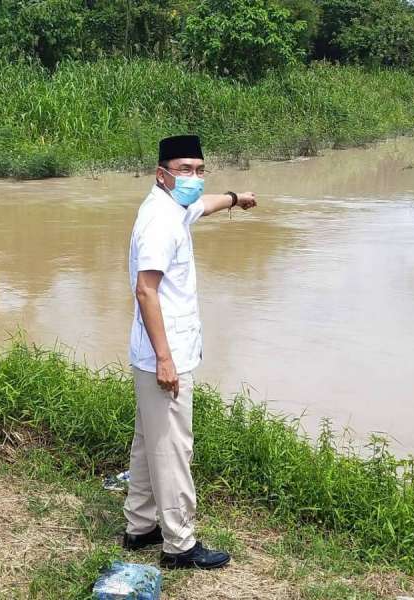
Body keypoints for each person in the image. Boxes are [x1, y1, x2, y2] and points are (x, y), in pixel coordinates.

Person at [123, 135, 257, 569]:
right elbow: (146, 290)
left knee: (149, 442)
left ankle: (140, 526)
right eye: (184, 169)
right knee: (174, 448)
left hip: (158, 352)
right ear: (161, 173)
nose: (194, 179)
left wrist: (237, 198)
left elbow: (205, 205)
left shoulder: (172, 208)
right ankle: (180, 545)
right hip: (166, 355)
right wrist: (166, 359)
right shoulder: (160, 223)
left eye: (199, 170)